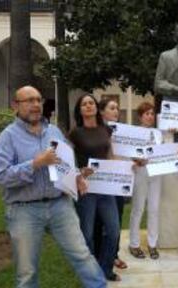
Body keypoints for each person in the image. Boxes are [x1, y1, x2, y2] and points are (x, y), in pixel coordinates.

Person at [0, 86, 107, 288]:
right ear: (15, 106)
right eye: (29, 101)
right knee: (27, 271)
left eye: (38, 100)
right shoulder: (6, 138)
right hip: (24, 210)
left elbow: (63, 164)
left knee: (83, 256)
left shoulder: (53, 131)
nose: (36, 105)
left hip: (60, 205)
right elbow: (1, 177)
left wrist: (77, 176)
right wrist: (35, 164)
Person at [69, 93, 120, 281]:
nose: (88, 106)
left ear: (96, 107)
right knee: (87, 234)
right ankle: (89, 273)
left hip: (106, 188)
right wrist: (78, 172)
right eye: (84, 104)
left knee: (113, 231)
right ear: (80, 110)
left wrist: (120, 171)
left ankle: (106, 269)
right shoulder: (75, 133)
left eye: (91, 103)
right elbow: (68, 161)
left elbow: (111, 155)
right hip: (86, 189)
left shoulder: (106, 130)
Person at [129, 102, 163, 260]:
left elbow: (164, 152)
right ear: (140, 116)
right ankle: (134, 244)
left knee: (154, 209)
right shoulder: (134, 132)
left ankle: (152, 244)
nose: (150, 116)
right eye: (146, 114)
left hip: (156, 173)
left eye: (151, 114)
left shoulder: (158, 133)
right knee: (138, 209)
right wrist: (137, 159)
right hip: (140, 172)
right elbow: (128, 152)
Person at [98, 98, 128, 270]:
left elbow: (128, 154)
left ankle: (113, 255)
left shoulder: (122, 131)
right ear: (102, 111)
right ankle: (100, 255)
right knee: (101, 222)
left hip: (119, 180)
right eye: (112, 108)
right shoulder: (95, 130)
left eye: (117, 108)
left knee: (117, 218)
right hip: (101, 181)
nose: (116, 111)